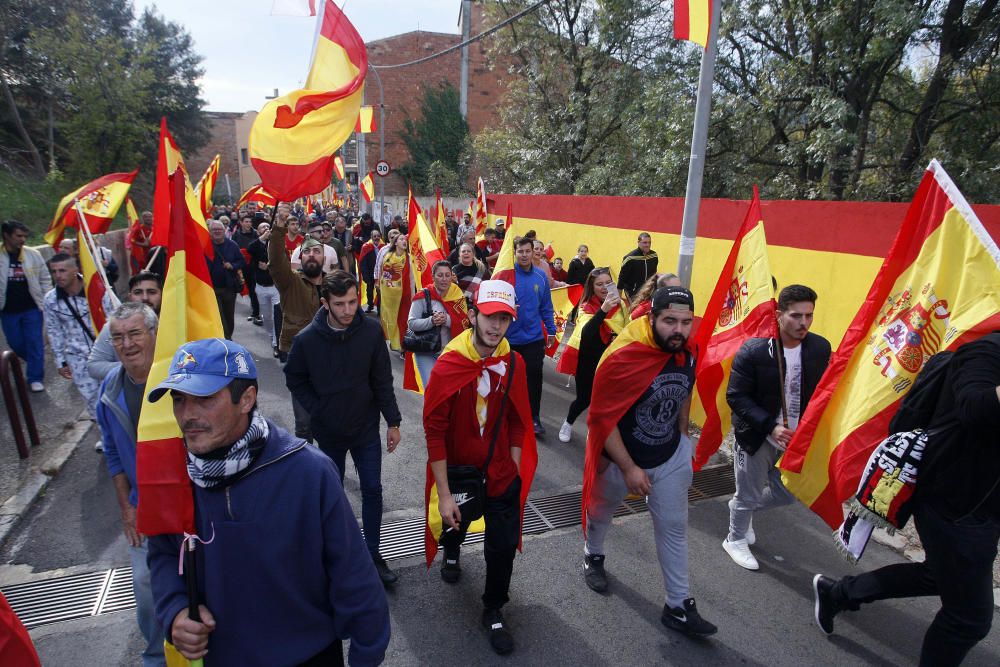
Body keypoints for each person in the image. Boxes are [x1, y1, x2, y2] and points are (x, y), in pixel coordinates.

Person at [145, 338, 390, 665]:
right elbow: (162, 552)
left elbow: (354, 576)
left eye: (204, 399)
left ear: (246, 399)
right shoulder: (173, 475)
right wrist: (174, 611)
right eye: (179, 399)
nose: (187, 415)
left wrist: (366, 656)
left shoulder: (308, 472)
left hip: (309, 657)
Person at [812, 333, 1000, 666]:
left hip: (984, 505)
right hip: (953, 504)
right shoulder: (985, 352)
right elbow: (975, 408)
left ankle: (838, 592)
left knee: (937, 575)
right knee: (968, 619)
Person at [581, 286, 717, 637]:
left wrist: (684, 437)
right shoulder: (624, 355)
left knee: (674, 529)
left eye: (686, 322)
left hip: (669, 456)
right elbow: (600, 418)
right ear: (651, 317)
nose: (679, 330)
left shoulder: (688, 349)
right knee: (600, 512)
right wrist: (628, 468)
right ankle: (593, 553)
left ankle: (678, 605)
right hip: (618, 459)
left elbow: (686, 389)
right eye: (670, 321)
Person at [422, 279, 537, 656]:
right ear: (473, 315)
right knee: (458, 519)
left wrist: (515, 469)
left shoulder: (514, 362)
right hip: (460, 470)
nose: (496, 326)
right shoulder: (450, 364)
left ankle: (493, 607)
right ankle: (451, 549)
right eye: (490, 316)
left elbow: (520, 420)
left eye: (504, 318)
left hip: (502, 473)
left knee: (502, 546)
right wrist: (442, 493)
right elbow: (434, 430)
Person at [284, 270, 403, 586]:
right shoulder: (307, 340)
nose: (349, 310)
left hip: (365, 429)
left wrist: (393, 421)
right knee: (333, 496)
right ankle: (336, 556)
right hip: (329, 433)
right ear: (325, 304)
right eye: (340, 304)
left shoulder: (372, 332)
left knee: (373, 490)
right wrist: (318, 410)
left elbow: (382, 381)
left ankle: (373, 554)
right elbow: (294, 377)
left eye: (353, 302)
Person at [722, 284, 831, 571]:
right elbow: (736, 396)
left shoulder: (820, 347)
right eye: (796, 316)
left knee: (787, 494)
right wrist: (771, 427)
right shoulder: (755, 351)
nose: (804, 323)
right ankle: (734, 538)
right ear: (780, 315)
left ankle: (740, 512)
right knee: (748, 494)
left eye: (809, 316)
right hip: (757, 437)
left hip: (798, 441)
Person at [95, 302, 165, 667]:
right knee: (147, 591)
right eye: (118, 337)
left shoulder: (178, 377)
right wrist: (127, 508)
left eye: (135, 334)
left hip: (189, 503)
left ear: (154, 333)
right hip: (144, 508)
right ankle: (156, 658)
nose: (127, 344)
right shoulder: (110, 389)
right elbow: (113, 453)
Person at [269, 204, 326, 439]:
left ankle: (329, 470)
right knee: (304, 424)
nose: (312, 255)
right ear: (300, 257)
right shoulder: (290, 282)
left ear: (324, 257)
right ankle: (307, 468)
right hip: (299, 357)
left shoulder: (336, 285)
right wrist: (279, 228)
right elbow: (275, 262)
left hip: (330, 359)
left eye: (317, 252)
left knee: (328, 421)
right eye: (307, 252)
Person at [557, 267, 629, 443]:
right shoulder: (585, 307)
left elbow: (628, 329)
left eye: (608, 283)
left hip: (612, 361)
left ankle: (595, 431)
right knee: (584, 399)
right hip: (588, 361)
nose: (604, 287)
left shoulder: (621, 305)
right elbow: (588, 333)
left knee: (607, 401)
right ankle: (568, 423)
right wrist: (603, 310)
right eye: (599, 284)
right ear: (592, 287)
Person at [505, 237, 555, 435]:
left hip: (534, 338)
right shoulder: (505, 276)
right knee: (507, 379)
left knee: (534, 378)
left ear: (535, 252)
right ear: (515, 253)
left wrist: (551, 330)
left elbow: (546, 307)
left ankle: (534, 417)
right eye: (521, 251)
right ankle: (505, 415)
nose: (524, 255)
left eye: (528, 251)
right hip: (508, 339)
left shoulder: (541, 276)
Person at [1, 220, 51, 392]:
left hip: (32, 307)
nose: (22, 239)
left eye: (24, 236)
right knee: (15, 343)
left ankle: (35, 377)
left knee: (35, 341)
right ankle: (34, 360)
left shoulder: (32, 255)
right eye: (18, 236)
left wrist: (47, 298)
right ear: (7, 235)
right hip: (8, 310)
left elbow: (44, 277)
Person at [87, 271, 163, 383]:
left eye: (152, 292)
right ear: (130, 296)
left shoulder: (177, 323)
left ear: (163, 294)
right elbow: (93, 366)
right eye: (138, 292)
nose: (145, 298)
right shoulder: (114, 327)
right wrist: (132, 367)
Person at [407, 261, 469, 382]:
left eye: (447, 275)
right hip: (426, 351)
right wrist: (432, 321)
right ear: (433, 276)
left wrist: (447, 319)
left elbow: (465, 323)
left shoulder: (458, 295)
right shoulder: (423, 295)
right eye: (440, 275)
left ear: (452, 276)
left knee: (448, 394)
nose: (444, 279)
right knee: (431, 391)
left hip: (451, 353)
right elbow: (411, 323)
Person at [205, 219, 244, 340]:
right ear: (209, 232)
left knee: (228, 316)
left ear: (224, 231)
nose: (217, 232)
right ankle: (225, 339)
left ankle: (228, 335)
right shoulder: (205, 246)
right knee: (218, 316)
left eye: (219, 229)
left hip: (229, 288)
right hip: (211, 288)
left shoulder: (232, 245)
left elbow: (242, 261)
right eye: (214, 230)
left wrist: (232, 266)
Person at [247, 223, 282, 357]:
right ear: (258, 232)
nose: (266, 229)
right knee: (266, 317)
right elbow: (250, 251)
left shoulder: (276, 244)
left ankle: (275, 343)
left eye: (268, 227)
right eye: (262, 227)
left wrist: (270, 266)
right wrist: (262, 239)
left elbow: (282, 260)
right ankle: (271, 334)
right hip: (261, 287)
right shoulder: (256, 245)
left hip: (275, 288)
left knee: (276, 316)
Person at [378, 234, 411, 352]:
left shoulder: (409, 258)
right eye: (401, 239)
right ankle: (393, 341)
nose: (404, 241)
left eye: (405, 240)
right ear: (396, 242)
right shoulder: (387, 256)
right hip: (389, 294)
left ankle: (401, 344)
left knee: (403, 319)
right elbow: (382, 271)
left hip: (405, 294)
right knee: (391, 318)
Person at [230, 215, 260, 326]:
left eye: (250, 222)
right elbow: (233, 250)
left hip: (253, 266)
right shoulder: (236, 235)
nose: (248, 224)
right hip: (240, 267)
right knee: (240, 288)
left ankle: (256, 312)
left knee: (253, 290)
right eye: (246, 221)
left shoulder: (255, 234)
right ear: (241, 223)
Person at [617, 232, 658, 300]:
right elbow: (622, 278)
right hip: (633, 291)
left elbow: (654, 274)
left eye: (649, 242)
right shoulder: (630, 258)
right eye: (644, 242)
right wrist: (619, 295)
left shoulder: (654, 256)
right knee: (635, 310)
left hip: (648, 290)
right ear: (638, 242)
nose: (647, 245)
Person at [358, 229, 385, 313]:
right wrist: (365, 275)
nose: (377, 238)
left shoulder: (384, 246)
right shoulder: (366, 247)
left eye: (378, 236)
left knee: (380, 291)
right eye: (375, 236)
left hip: (380, 274)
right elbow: (362, 262)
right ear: (371, 237)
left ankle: (380, 308)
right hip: (370, 273)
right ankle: (370, 305)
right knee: (369, 290)